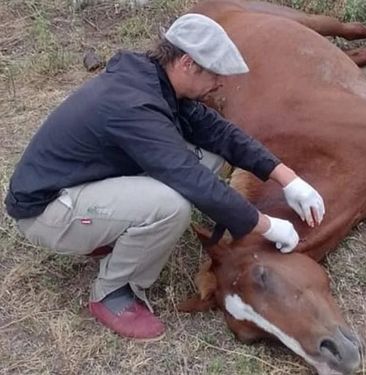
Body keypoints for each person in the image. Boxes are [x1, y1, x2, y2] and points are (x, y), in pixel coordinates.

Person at [4, 13, 325, 342]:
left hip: (82, 184)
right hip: (47, 211)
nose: (220, 84)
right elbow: (187, 176)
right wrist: (266, 225)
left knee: (211, 156)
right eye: (215, 74)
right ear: (187, 63)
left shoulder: (155, 80)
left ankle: (116, 230)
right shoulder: (134, 105)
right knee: (171, 205)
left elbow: (220, 134)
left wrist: (289, 179)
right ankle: (113, 292)